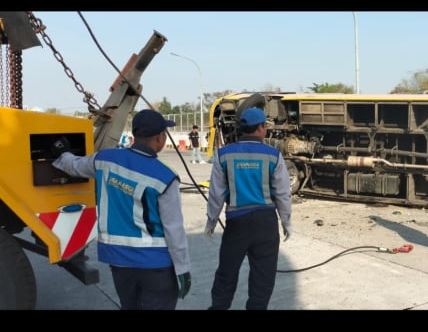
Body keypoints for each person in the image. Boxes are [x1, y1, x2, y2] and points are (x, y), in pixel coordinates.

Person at [51, 109, 192, 309]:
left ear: (134, 135)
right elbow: (174, 229)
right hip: (156, 265)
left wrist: (61, 152)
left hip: (119, 262)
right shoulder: (165, 176)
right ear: (160, 138)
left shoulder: (104, 160)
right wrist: (183, 269)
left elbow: (75, 165)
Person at [205, 107, 292, 310]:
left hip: (237, 223)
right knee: (263, 277)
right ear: (261, 128)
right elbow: (283, 194)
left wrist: (211, 221)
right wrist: (286, 222)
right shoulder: (274, 155)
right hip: (266, 224)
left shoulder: (223, 154)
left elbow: (216, 194)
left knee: (226, 273)